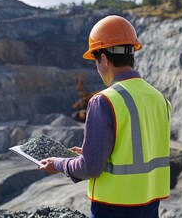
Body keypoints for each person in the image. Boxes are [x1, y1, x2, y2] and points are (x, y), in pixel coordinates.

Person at [39, 15, 172, 218]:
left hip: (114, 208)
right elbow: (138, 149)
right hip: (150, 206)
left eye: (95, 59)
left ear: (104, 58)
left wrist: (57, 164)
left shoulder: (104, 101)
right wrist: (96, 151)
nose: (97, 66)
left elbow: (90, 167)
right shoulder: (159, 98)